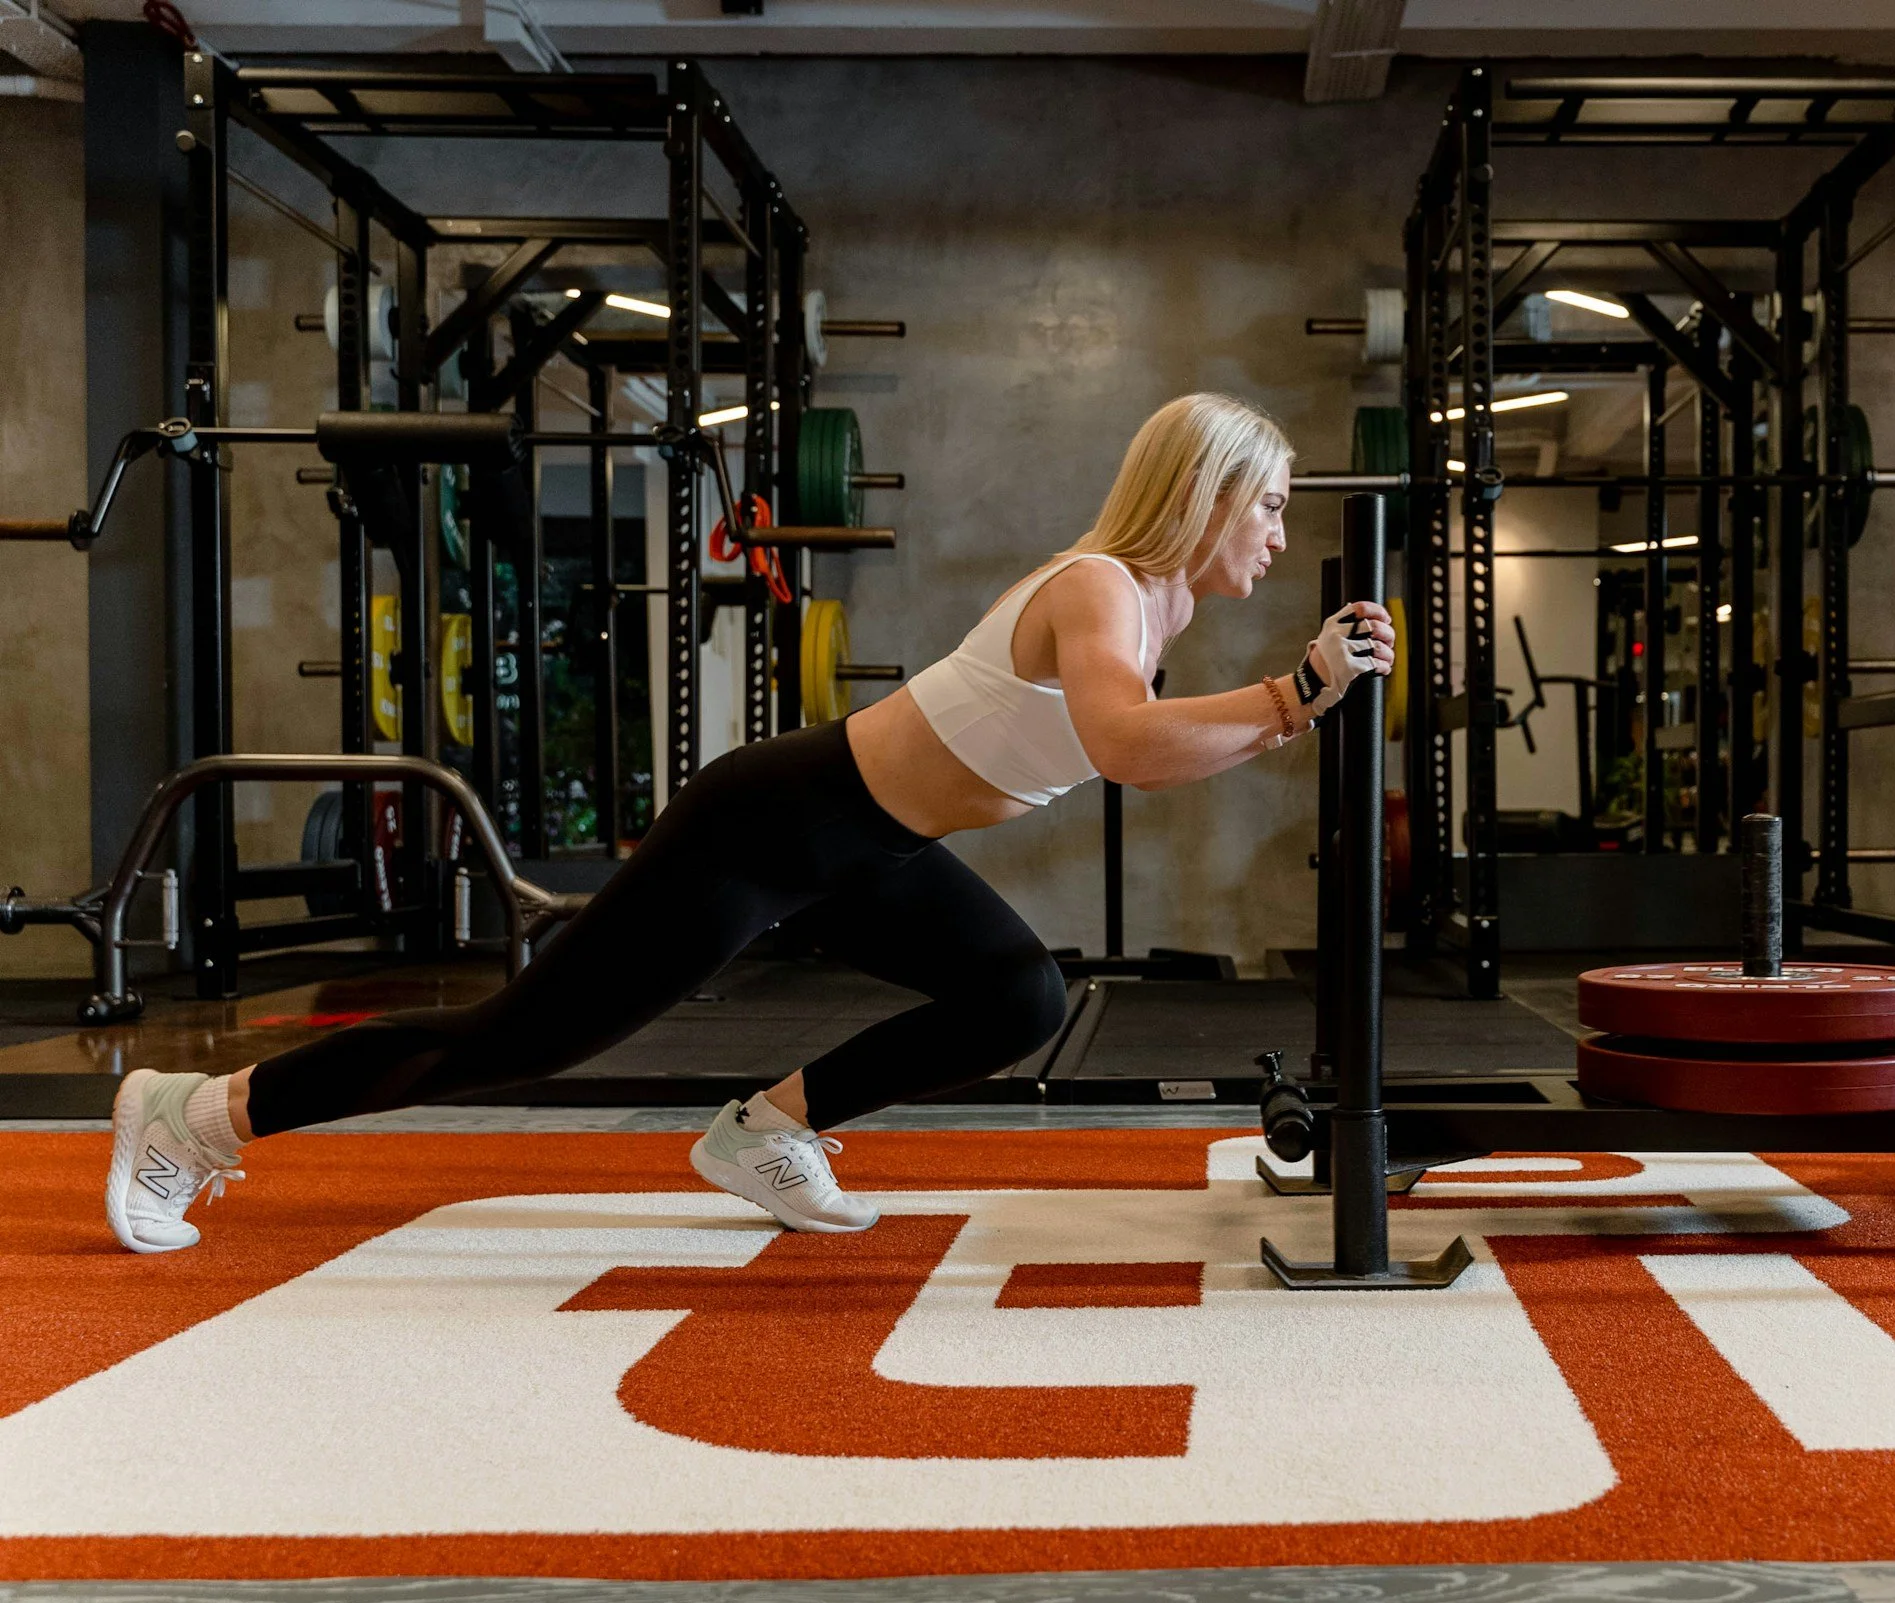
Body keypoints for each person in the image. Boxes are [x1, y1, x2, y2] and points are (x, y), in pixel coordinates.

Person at [103, 392, 1391, 1254]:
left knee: (1015, 997)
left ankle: (767, 1131)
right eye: (1267, 506)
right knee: (530, 1040)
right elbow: (1121, 745)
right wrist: (1298, 695)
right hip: (776, 822)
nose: (1280, 535)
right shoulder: (1104, 590)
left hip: (869, 845)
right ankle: (196, 1115)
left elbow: (1160, 747)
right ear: (1208, 495)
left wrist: (1297, 704)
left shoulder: (1159, 611)